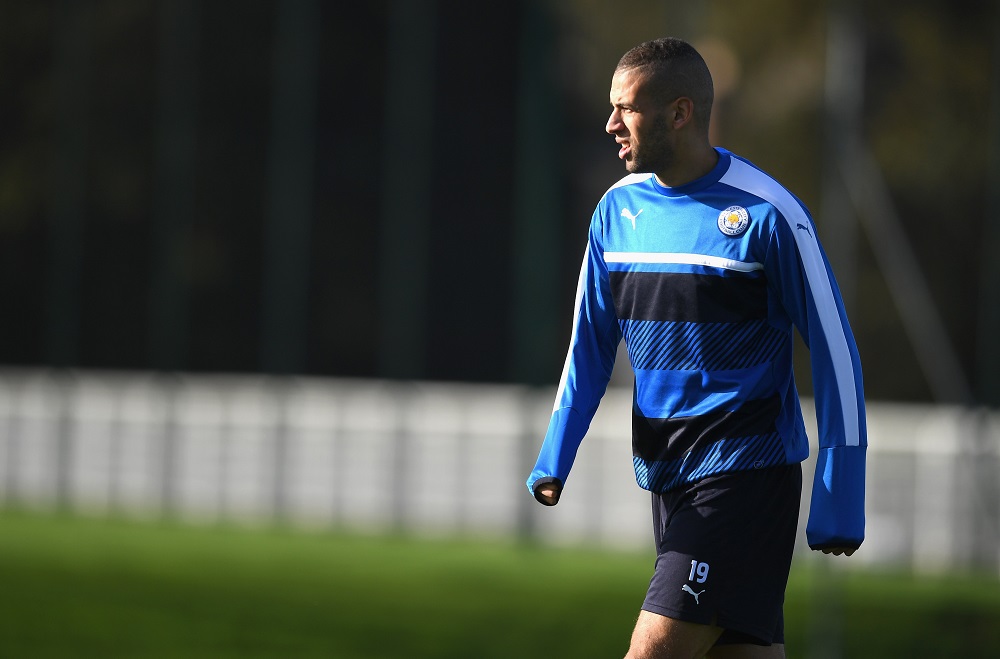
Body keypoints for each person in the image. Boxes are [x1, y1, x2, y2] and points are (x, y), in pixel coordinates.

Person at [525, 37, 866, 659]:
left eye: (627, 109)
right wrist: (556, 453)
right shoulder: (615, 212)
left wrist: (841, 487)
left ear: (679, 113)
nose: (611, 124)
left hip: (744, 476)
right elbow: (589, 346)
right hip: (668, 477)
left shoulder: (768, 213)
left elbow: (835, 351)